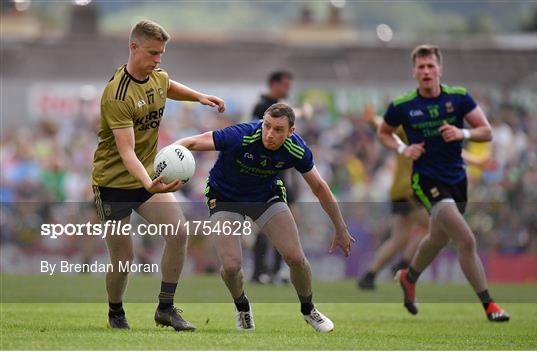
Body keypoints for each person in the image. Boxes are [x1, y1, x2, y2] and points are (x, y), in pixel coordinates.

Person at [91, 19, 225, 331]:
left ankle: (165, 308)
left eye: (161, 54)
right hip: (113, 183)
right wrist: (146, 182)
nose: (157, 60)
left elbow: (167, 84)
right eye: (152, 53)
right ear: (133, 47)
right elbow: (127, 152)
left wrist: (200, 97)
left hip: (148, 178)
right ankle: (115, 312)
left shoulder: (156, 74)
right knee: (124, 258)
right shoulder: (117, 94)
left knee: (179, 233)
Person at [175, 103, 355, 332]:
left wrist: (340, 228)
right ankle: (242, 308)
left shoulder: (296, 149)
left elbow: (320, 187)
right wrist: (172, 151)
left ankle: (309, 310)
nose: (270, 134)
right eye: (267, 126)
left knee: (295, 258)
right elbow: (191, 142)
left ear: (291, 131)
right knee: (231, 266)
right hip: (224, 197)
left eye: (278, 130)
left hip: (265, 196)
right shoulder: (241, 135)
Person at [378, 44, 509, 322]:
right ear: (414, 72)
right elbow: (384, 132)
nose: (426, 71)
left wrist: (461, 132)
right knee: (465, 238)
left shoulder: (459, 98)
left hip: (457, 179)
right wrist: (403, 149)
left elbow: (486, 132)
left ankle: (409, 277)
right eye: (421, 67)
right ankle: (489, 305)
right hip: (426, 180)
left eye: (430, 66)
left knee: (438, 238)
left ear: (440, 69)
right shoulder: (403, 106)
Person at [358, 104, 497, 290]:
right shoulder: (410, 128)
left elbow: (454, 151)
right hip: (411, 190)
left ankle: (369, 275)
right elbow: (384, 125)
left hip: (400, 191)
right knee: (437, 225)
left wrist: (478, 161)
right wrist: (372, 120)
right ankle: (404, 265)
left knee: (399, 238)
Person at [251, 71, 294, 284]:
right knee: (267, 226)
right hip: (266, 175)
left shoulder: (281, 107)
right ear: (273, 84)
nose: (288, 89)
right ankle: (261, 270)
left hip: (280, 173)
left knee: (282, 223)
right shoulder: (263, 108)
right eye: (285, 84)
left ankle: (275, 269)